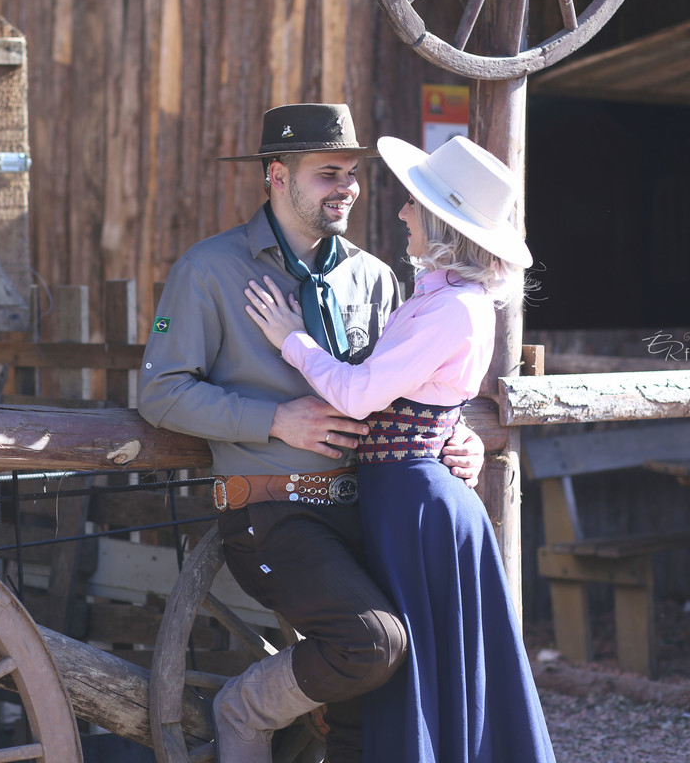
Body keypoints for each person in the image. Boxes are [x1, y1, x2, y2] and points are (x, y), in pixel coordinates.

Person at [137, 103, 485, 763]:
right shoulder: (208, 270)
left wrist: (456, 435)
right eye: (329, 173)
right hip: (270, 511)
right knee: (372, 644)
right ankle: (242, 708)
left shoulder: (375, 278)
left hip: (369, 509)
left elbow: (412, 385)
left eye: (352, 174)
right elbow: (158, 392)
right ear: (276, 174)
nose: (348, 188)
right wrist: (274, 418)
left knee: (388, 697)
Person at [244, 133, 556, 762]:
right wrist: (454, 431)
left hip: (418, 509)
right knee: (420, 670)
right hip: (402, 501)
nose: (402, 213)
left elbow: (360, 395)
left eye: (415, 204)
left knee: (424, 672)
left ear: (440, 220)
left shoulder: (456, 309)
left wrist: (291, 339)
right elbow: (429, 396)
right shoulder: (433, 297)